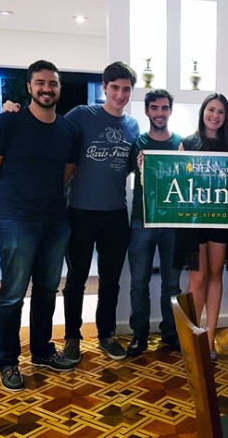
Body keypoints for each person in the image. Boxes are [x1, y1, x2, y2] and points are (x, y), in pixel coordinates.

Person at [0, 60, 80, 391]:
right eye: (40, 83)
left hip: (55, 220)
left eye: (53, 83)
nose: (47, 88)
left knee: (48, 291)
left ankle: (41, 351)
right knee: (12, 294)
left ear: (59, 88)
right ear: (29, 87)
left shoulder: (68, 130)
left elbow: (66, 172)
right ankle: (7, 361)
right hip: (16, 219)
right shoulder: (7, 124)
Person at [60, 62, 140, 362]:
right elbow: (54, 132)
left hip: (116, 213)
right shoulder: (82, 115)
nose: (120, 94)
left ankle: (105, 334)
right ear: (105, 87)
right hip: (80, 211)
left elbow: (133, 164)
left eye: (126, 89)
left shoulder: (133, 126)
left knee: (110, 280)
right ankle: (71, 338)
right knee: (76, 280)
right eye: (115, 88)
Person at [174, 93, 228, 360]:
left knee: (215, 275)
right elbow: (175, 178)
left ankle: (210, 338)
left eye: (221, 112)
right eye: (211, 109)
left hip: (221, 221)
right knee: (196, 279)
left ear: (226, 117)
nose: (215, 115)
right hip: (191, 224)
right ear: (203, 111)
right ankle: (195, 339)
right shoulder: (187, 143)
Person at [125, 89, 183, 357]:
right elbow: (123, 172)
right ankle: (140, 335)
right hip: (141, 221)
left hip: (172, 223)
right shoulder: (137, 142)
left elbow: (188, 183)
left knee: (172, 284)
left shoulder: (182, 144)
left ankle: (171, 334)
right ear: (147, 111)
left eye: (164, 108)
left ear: (170, 110)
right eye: (155, 108)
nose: (160, 113)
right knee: (139, 282)